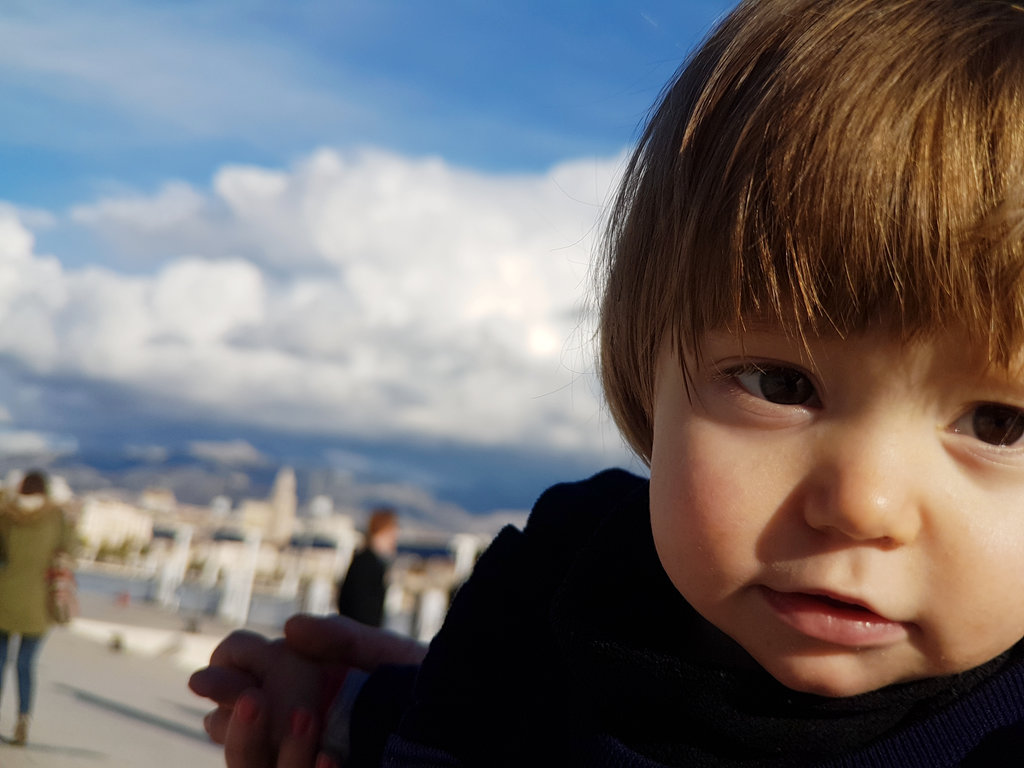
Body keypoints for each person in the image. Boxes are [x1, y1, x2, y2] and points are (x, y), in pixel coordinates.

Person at [189, 0, 1024, 764]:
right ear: (644, 371)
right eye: (777, 381)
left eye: (999, 425)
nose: (862, 505)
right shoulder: (548, 613)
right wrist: (355, 715)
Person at [0, 469, 77, 746]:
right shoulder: (56, 517)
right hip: (39, 602)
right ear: (45, 491)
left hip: (4, 597)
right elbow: (70, 550)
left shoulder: (6, 515)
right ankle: (23, 719)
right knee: (25, 664)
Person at [335, 509, 399, 627]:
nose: (394, 539)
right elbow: (358, 606)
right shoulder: (367, 563)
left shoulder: (368, 560)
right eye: (392, 533)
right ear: (382, 531)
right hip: (361, 635)